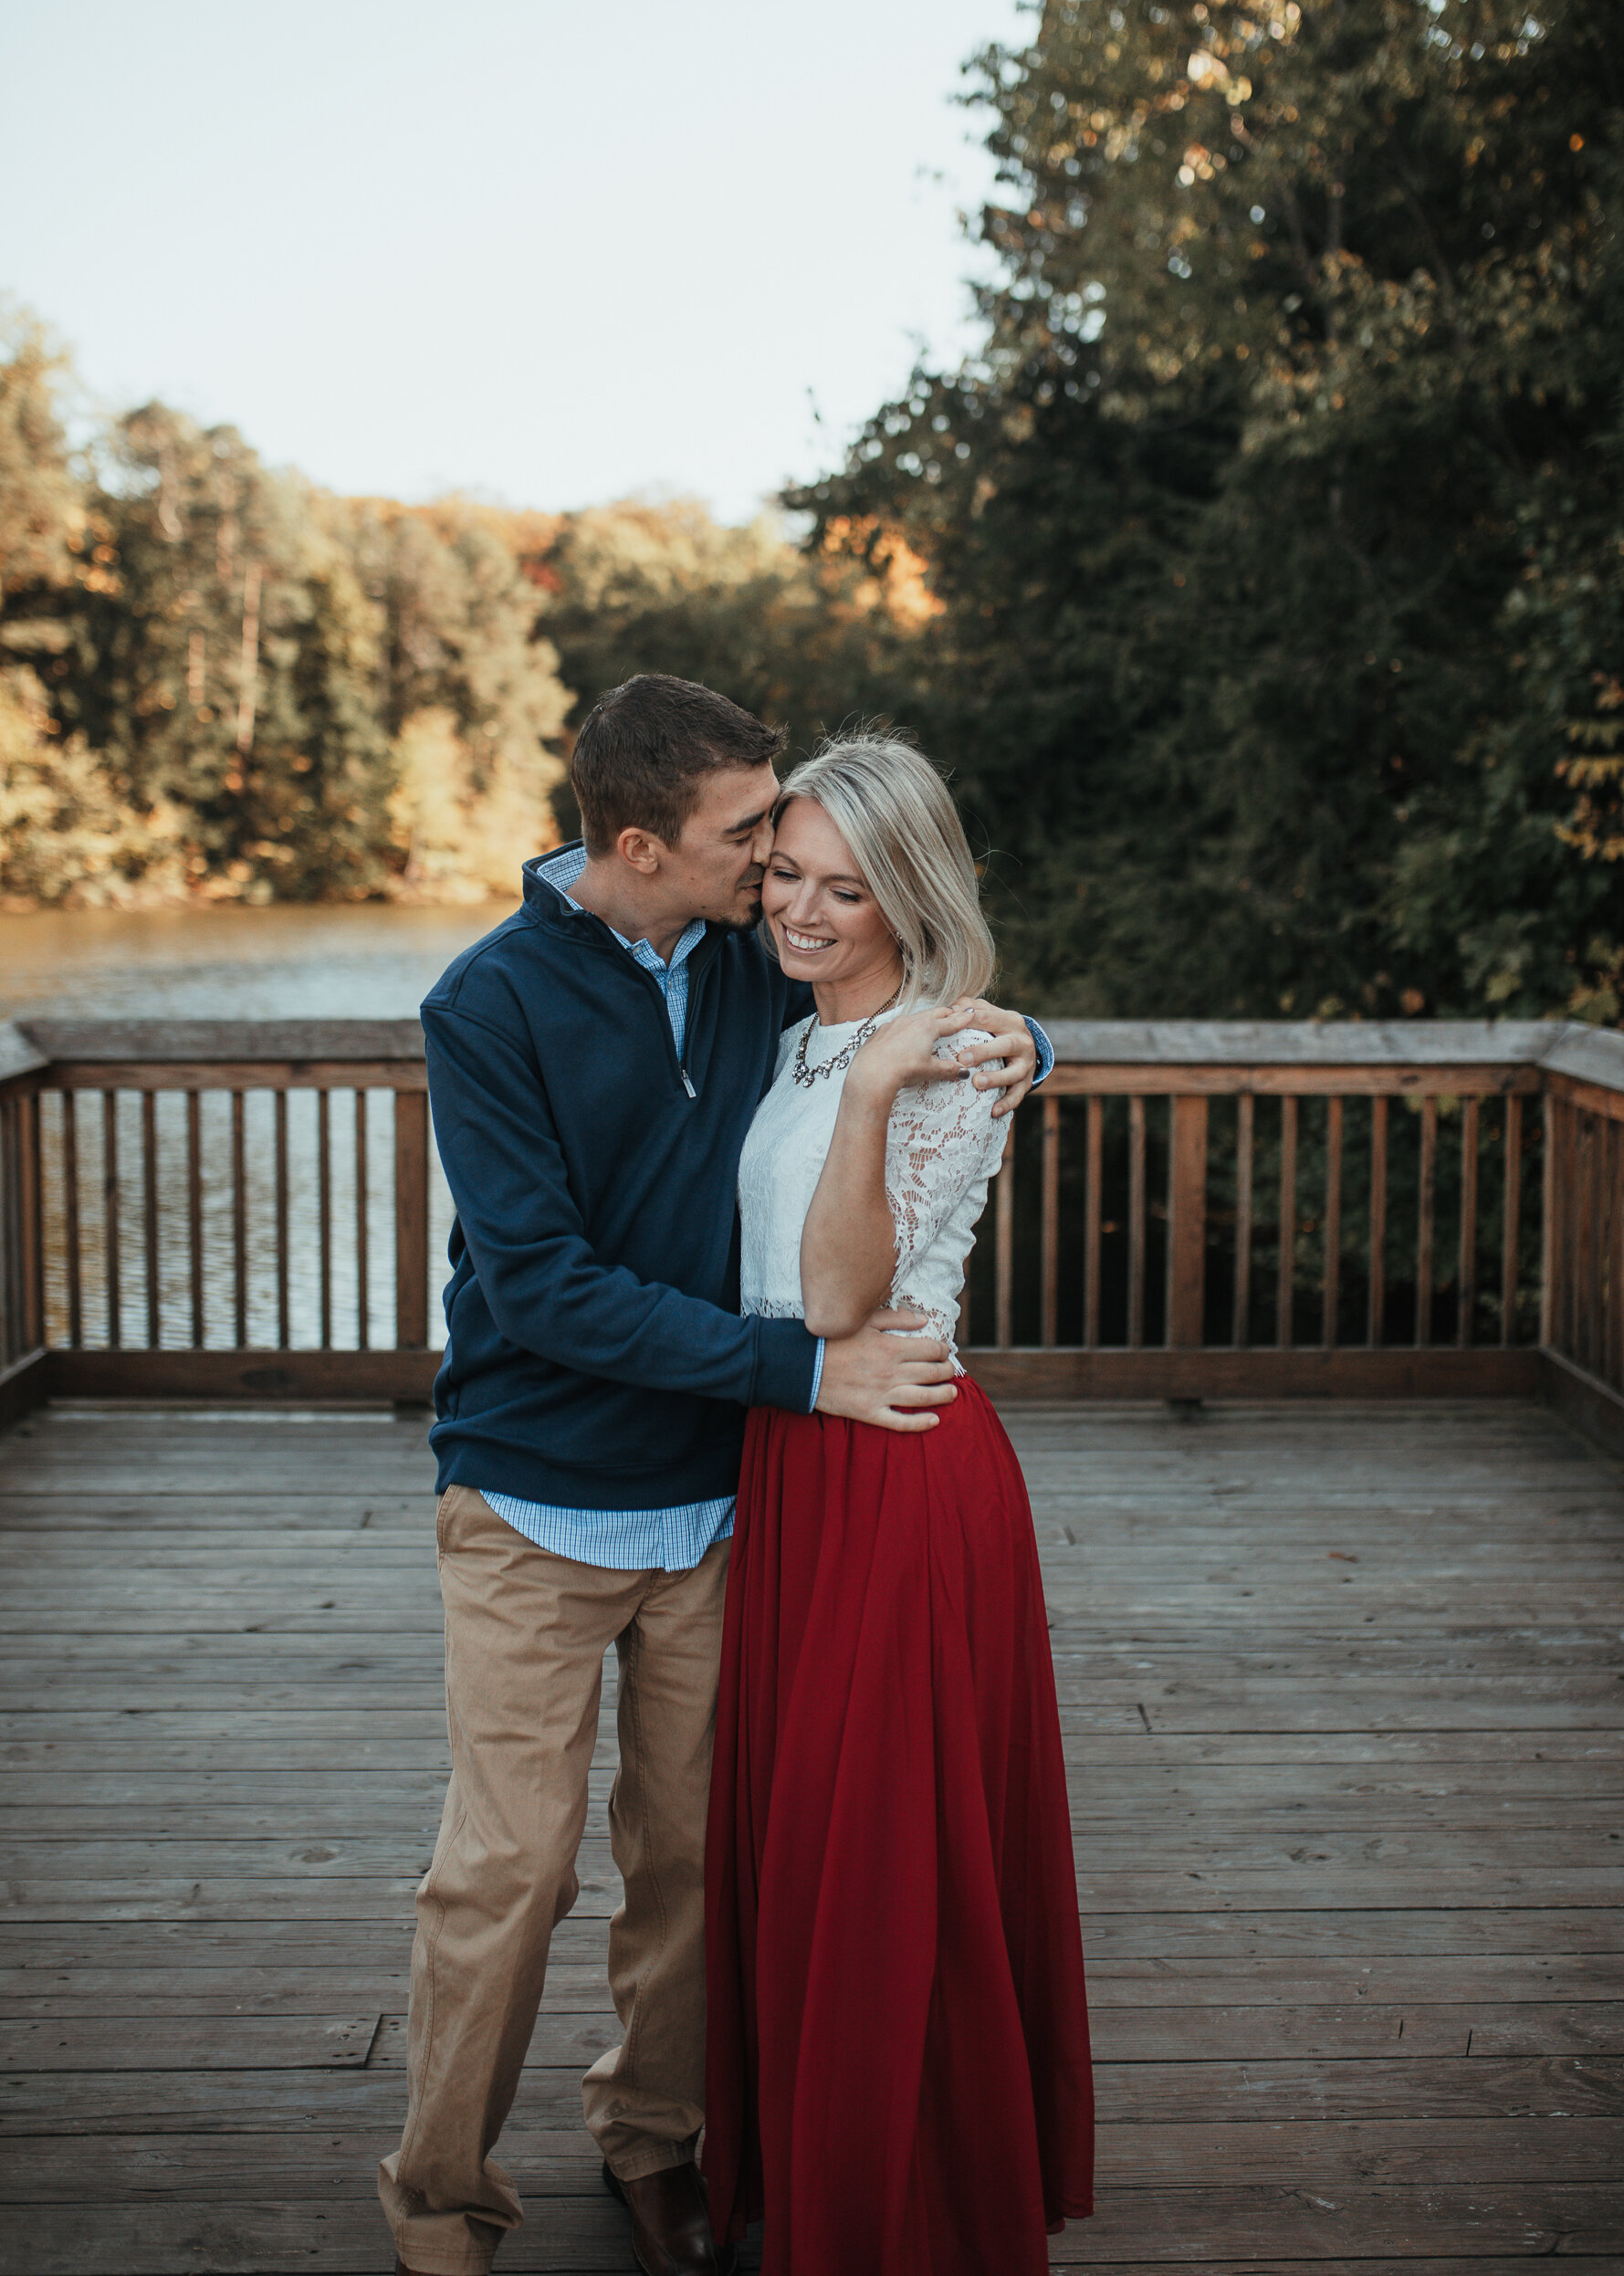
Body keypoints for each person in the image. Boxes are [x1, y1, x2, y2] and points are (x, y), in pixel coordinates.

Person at [377, 675, 1052, 2276]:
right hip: (536, 1497)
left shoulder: (753, 957)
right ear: (638, 844)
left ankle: (653, 2140)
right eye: (749, 835)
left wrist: (1030, 1037)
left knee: (689, 1862)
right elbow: (537, 1285)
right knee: (511, 1869)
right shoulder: (489, 1004)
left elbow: (890, 985)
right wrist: (801, 1372)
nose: (774, 863)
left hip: (724, 1505)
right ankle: (440, 2194)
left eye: (780, 835)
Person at [703, 730, 1095, 2275]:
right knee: (807, 1837)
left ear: (905, 897)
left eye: (842, 889)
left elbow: (835, 1288)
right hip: (796, 1455)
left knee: (879, 1849)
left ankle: (903, 2209)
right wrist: (874, 1057)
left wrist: (873, 1094)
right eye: (784, 874)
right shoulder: (792, 1019)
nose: (801, 911)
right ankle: (807, 2164)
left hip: (899, 1469)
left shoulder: (931, 1053)